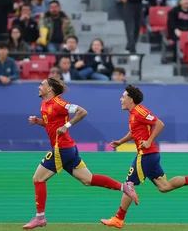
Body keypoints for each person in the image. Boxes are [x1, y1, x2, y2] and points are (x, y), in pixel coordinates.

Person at [22, 78, 139, 230]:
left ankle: (40, 217)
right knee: (88, 179)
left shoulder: (59, 103)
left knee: (38, 179)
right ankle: (124, 188)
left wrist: (67, 125)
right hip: (68, 149)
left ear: (50, 89)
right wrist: (39, 121)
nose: (39, 87)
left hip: (61, 148)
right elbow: (51, 123)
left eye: (42, 85)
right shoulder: (44, 104)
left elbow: (82, 112)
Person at [100, 85, 188, 229]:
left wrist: (148, 141)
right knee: (164, 187)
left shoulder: (140, 111)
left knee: (128, 185)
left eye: (123, 97)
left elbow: (160, 124)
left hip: (146, 155)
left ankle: (118, 218)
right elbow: (134, 132)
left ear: (130, 100)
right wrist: (121, 141)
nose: (120, 99)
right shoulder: (133, 114)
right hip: (151, 155)